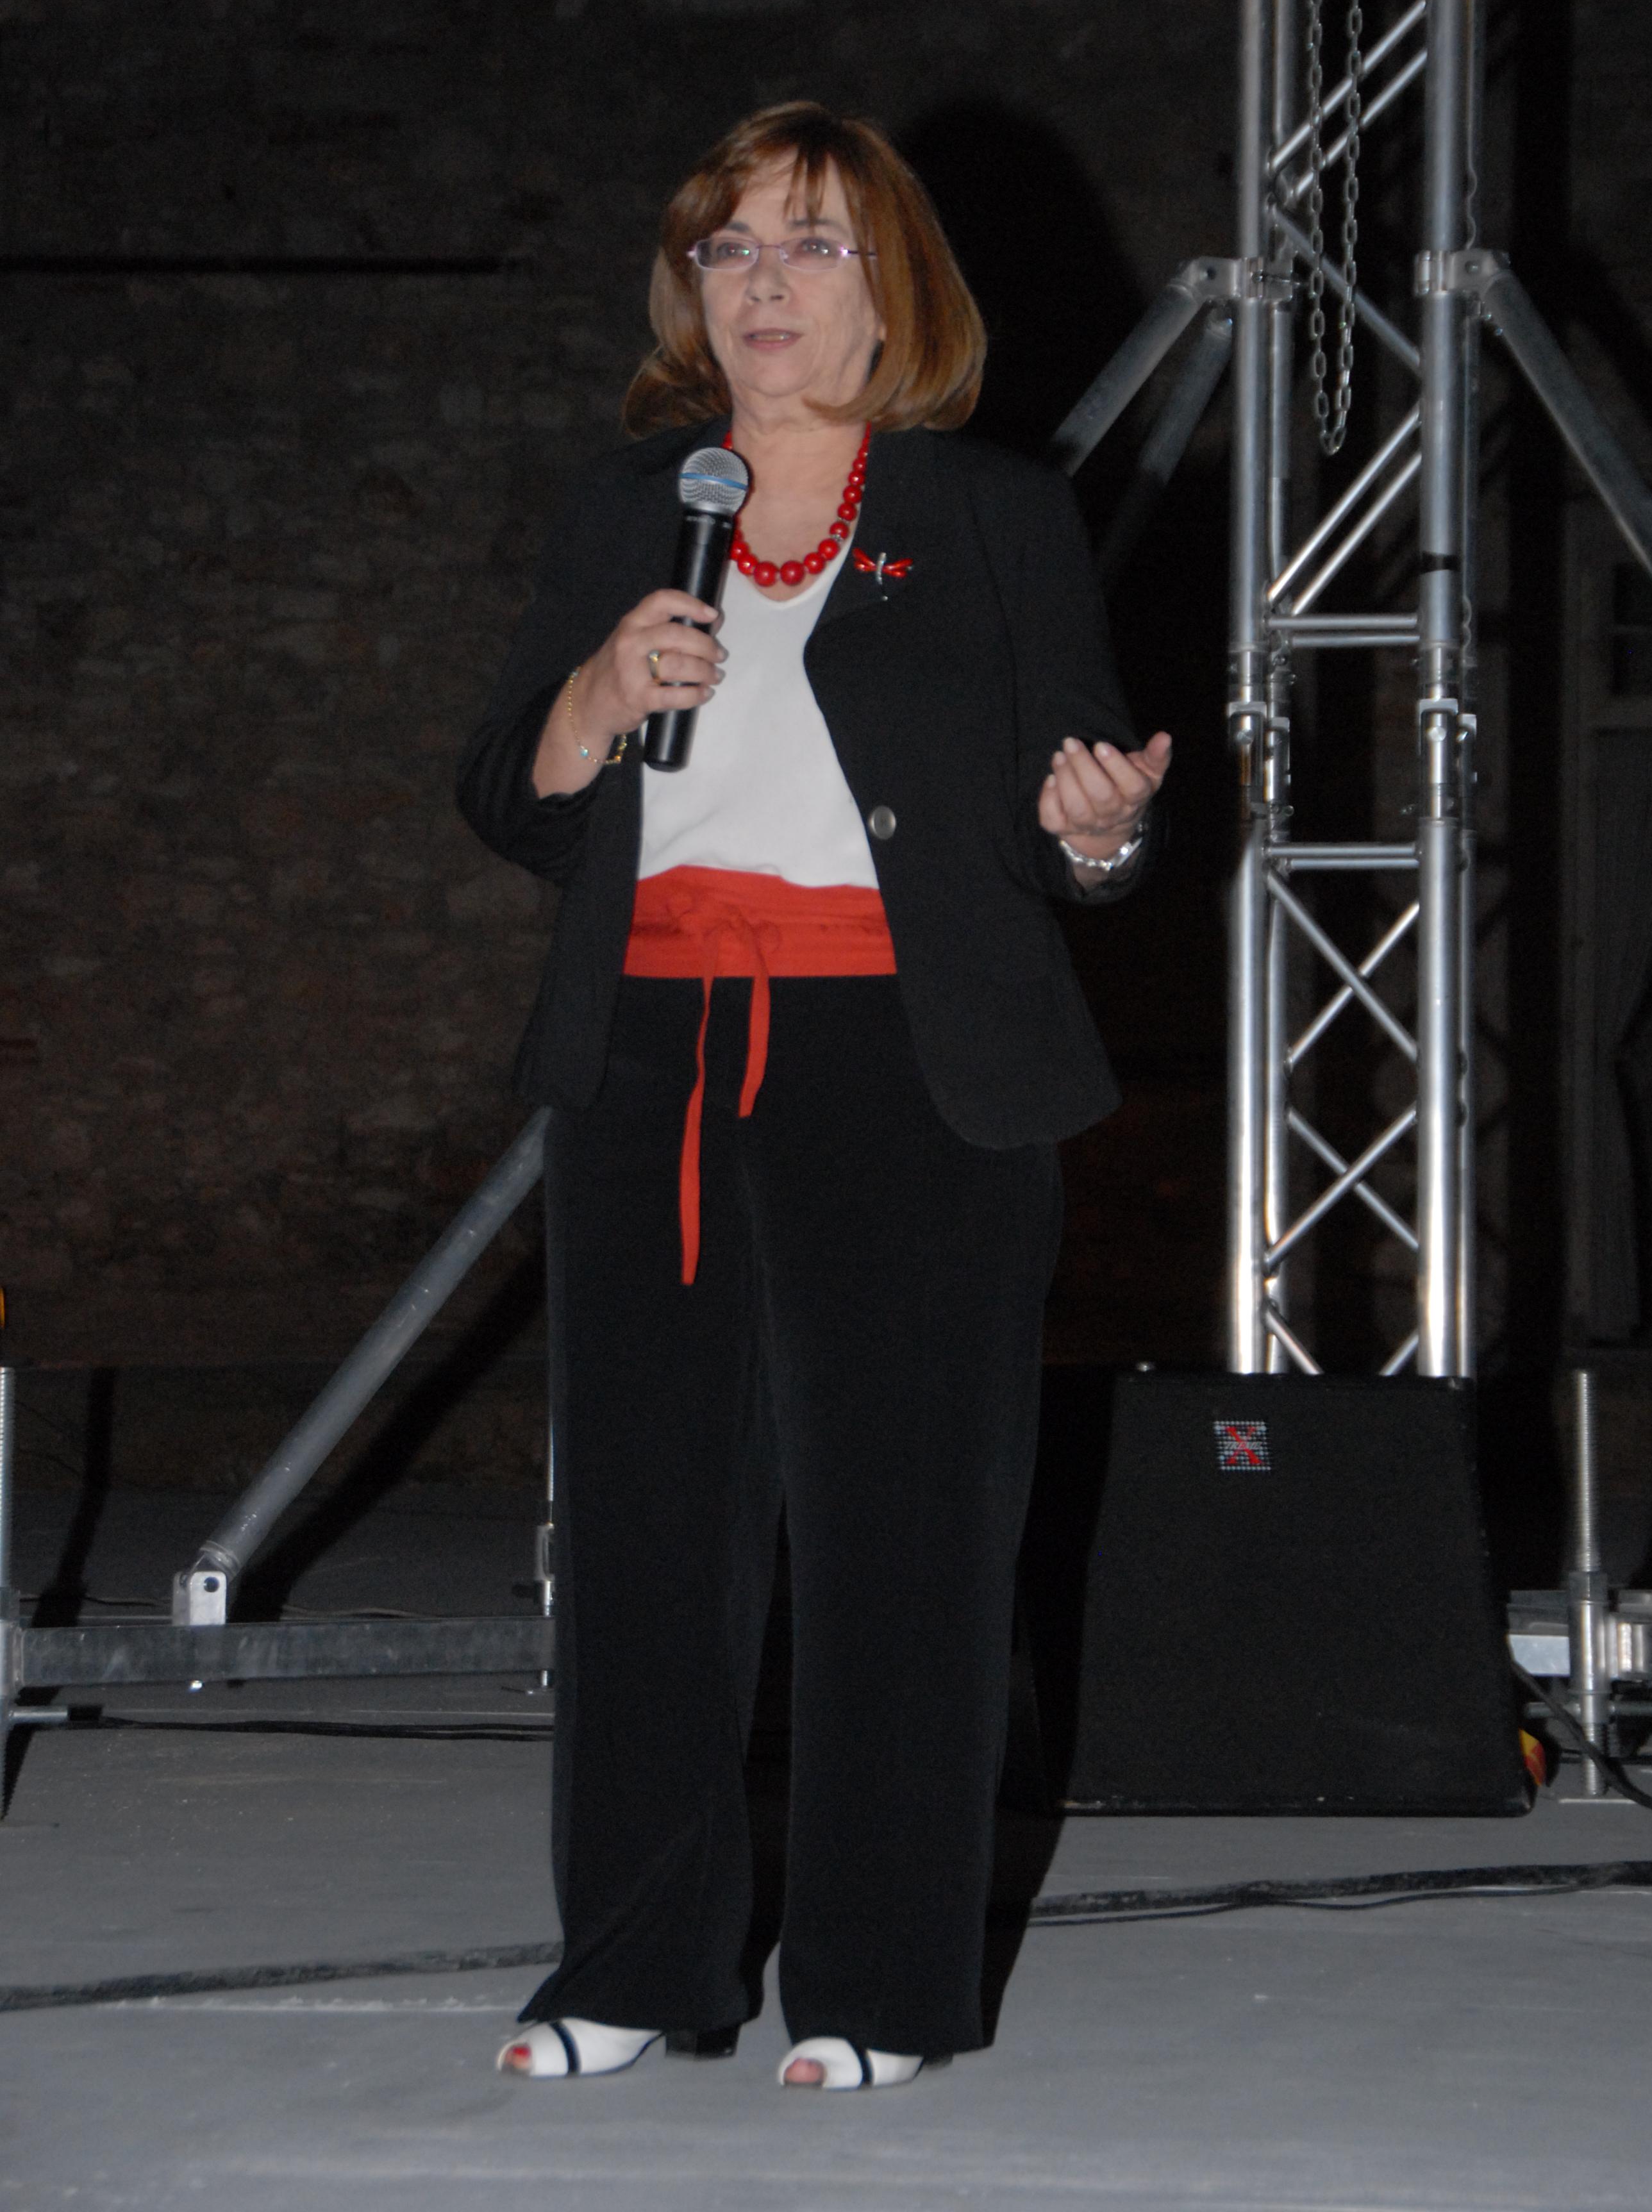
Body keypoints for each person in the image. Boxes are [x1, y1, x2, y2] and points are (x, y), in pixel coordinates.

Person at [457, 102, 1171, 2093]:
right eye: (732, 248)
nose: (765, 284)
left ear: (893, 290)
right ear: (691, 288)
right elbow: (509, 791)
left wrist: (1099, 829)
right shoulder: (631, 507)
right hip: (653, 1060)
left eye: (814, 246)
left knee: (903, 1545)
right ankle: (633, 1966)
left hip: (903, 1067)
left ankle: (878, 1990)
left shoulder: (994, 513)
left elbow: (1078, 818)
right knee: (644, 1539)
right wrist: (593, 702)